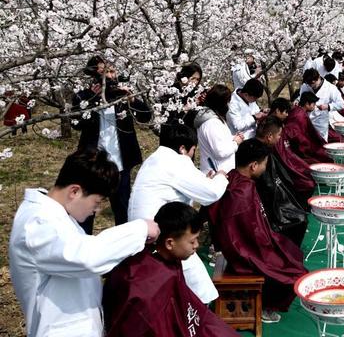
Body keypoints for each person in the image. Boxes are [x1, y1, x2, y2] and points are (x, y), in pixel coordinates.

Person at [8, 149, 160, 337]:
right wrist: (140, 229)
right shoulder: (37, 225)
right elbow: (87, 257)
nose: (95, 210)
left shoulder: (56, 214)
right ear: (74, 191)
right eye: (96, 202)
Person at [208, 139, 308, 323]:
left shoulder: (233, 177)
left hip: (242, 243)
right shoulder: (242, 194)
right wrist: (270, 244)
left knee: (290, 253)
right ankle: (265, 306)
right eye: (264, 164)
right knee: (292, 270)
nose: (265, 168)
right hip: (243, 253)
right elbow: (249, 237)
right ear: (254, 165)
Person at [103, 202, 238, 337]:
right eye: (192, 241)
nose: (197, 245)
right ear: (169, 243)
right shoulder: (143, 283)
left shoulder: (170, 259)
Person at [128, 123, 228, 303]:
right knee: (200, 289)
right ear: (183, 148)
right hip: (161, 238)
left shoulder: (156, 159)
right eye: (192, 151)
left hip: (145, 236)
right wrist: (221, 176)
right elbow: (211, 194)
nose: (192, 156)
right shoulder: (176, 161)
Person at [71, 55, 151, 233]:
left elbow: (146, 116)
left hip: (120, 161)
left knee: (122, 206)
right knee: (86, 208)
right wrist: (92, 99)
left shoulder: (122, 96)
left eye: (113, 71)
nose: (110, 76)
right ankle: (84, 246)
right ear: (94, 74)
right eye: (104, 72)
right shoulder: (83, 96)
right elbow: (76, 124)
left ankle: (124, 248)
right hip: (93, 162)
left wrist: (132, 100)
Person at [255, 117, 308, 246]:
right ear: (269, 136)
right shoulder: (259, 154)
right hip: (265, 201)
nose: (280, 138)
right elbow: (267, 185)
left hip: (270, 194)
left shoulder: (264, 150)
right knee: (300, 219)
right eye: (279, 135)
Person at [269, 98, 316, 208]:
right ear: (277, 111)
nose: (286, 115)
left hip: (287, 157)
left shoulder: (280, 123)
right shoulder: (271, 125)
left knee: (308, 171)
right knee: (306, 182)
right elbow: (280, 153)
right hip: (280, 163)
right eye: (285, 112)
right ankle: (299, 206)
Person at [194, 84, 244, 173]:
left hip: (219, 170)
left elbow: (218, 140)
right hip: (216, 172)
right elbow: (220, 152)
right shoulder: (211, 123)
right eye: (228, 102)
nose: (229, 105)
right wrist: (236, 142)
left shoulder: (213, 117)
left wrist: (233, 137)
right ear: (221, 103)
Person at [283, 91, 333, 164]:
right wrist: (309, 145)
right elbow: (295, 135)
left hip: (305, 143)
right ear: (307, 104)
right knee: (325, 156)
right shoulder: (299, 115)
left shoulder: (299, 111)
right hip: (301, 147)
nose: (315, 106)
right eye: (313, 104)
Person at [298, 68, 344, 141]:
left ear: (318, 78)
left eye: (312, 84)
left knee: (320, 144)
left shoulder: (330, 88)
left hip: (321, 122)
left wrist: (328, 106)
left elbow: (341, 104)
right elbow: (301, 99)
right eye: (309, 84)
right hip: (305, 120)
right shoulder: (305, 86)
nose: (310, 86)